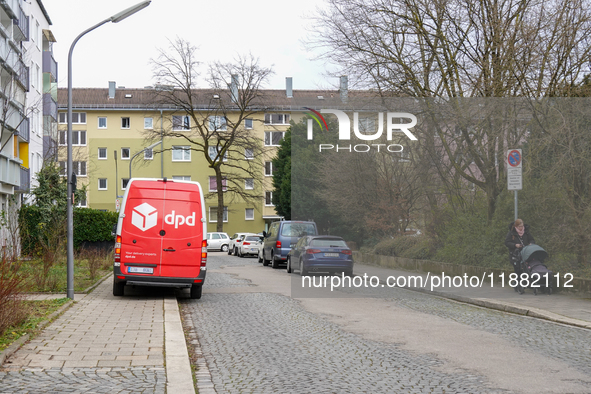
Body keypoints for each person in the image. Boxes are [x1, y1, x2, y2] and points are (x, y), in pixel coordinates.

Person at [504, 219, 535, 294]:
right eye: (520, 226)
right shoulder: (511, 233)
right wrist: (515, 245)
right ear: (516, 226)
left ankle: (519, 283)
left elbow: (532, 239)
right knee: (518, 270)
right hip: (515, 254)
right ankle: (518, 284)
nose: (521, 228)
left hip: (525, 253)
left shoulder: (526, 232)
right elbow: (507, 242)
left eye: (522, 226)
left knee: (526, 269)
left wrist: (531, 243)